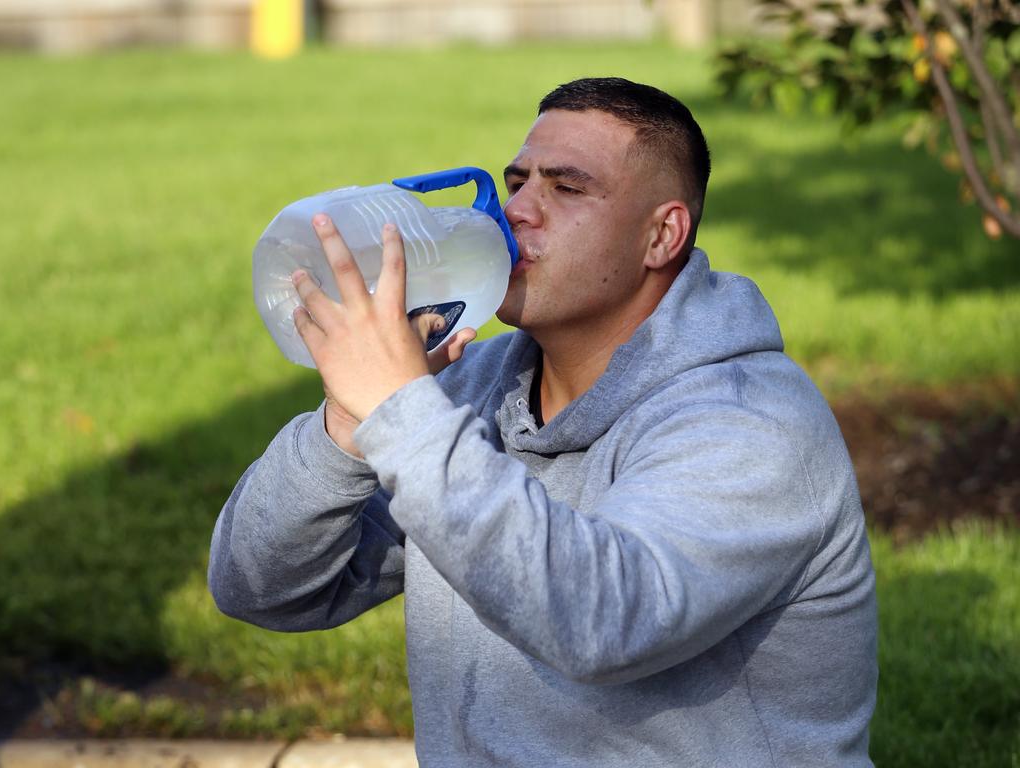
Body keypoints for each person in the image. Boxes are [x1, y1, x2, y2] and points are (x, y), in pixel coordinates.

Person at [209, 77, 878, 766]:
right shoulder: (470, 386)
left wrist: (401, 413)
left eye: (567, 188)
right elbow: (260, 588)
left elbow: (603, 620)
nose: (518, 209)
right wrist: (349, 425)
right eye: (518, 180)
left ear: (662, 235)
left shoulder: (751, 425)